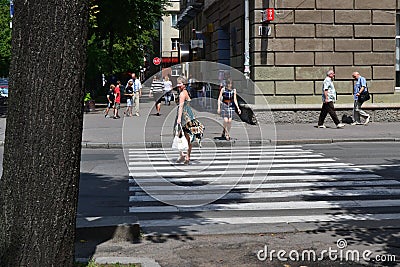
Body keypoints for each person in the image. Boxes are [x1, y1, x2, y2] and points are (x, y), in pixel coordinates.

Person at [175, 76, 204, 165]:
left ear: (184, 84)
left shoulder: (182, 94)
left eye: (180, 83)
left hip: (184, 117)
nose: (178, 85)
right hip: (189, 115)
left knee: (181, 136)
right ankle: (185, 156)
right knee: (187, 137)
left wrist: (179, 118)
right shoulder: (185, 92)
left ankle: (185, 156)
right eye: (178, 83)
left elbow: (181, 107)